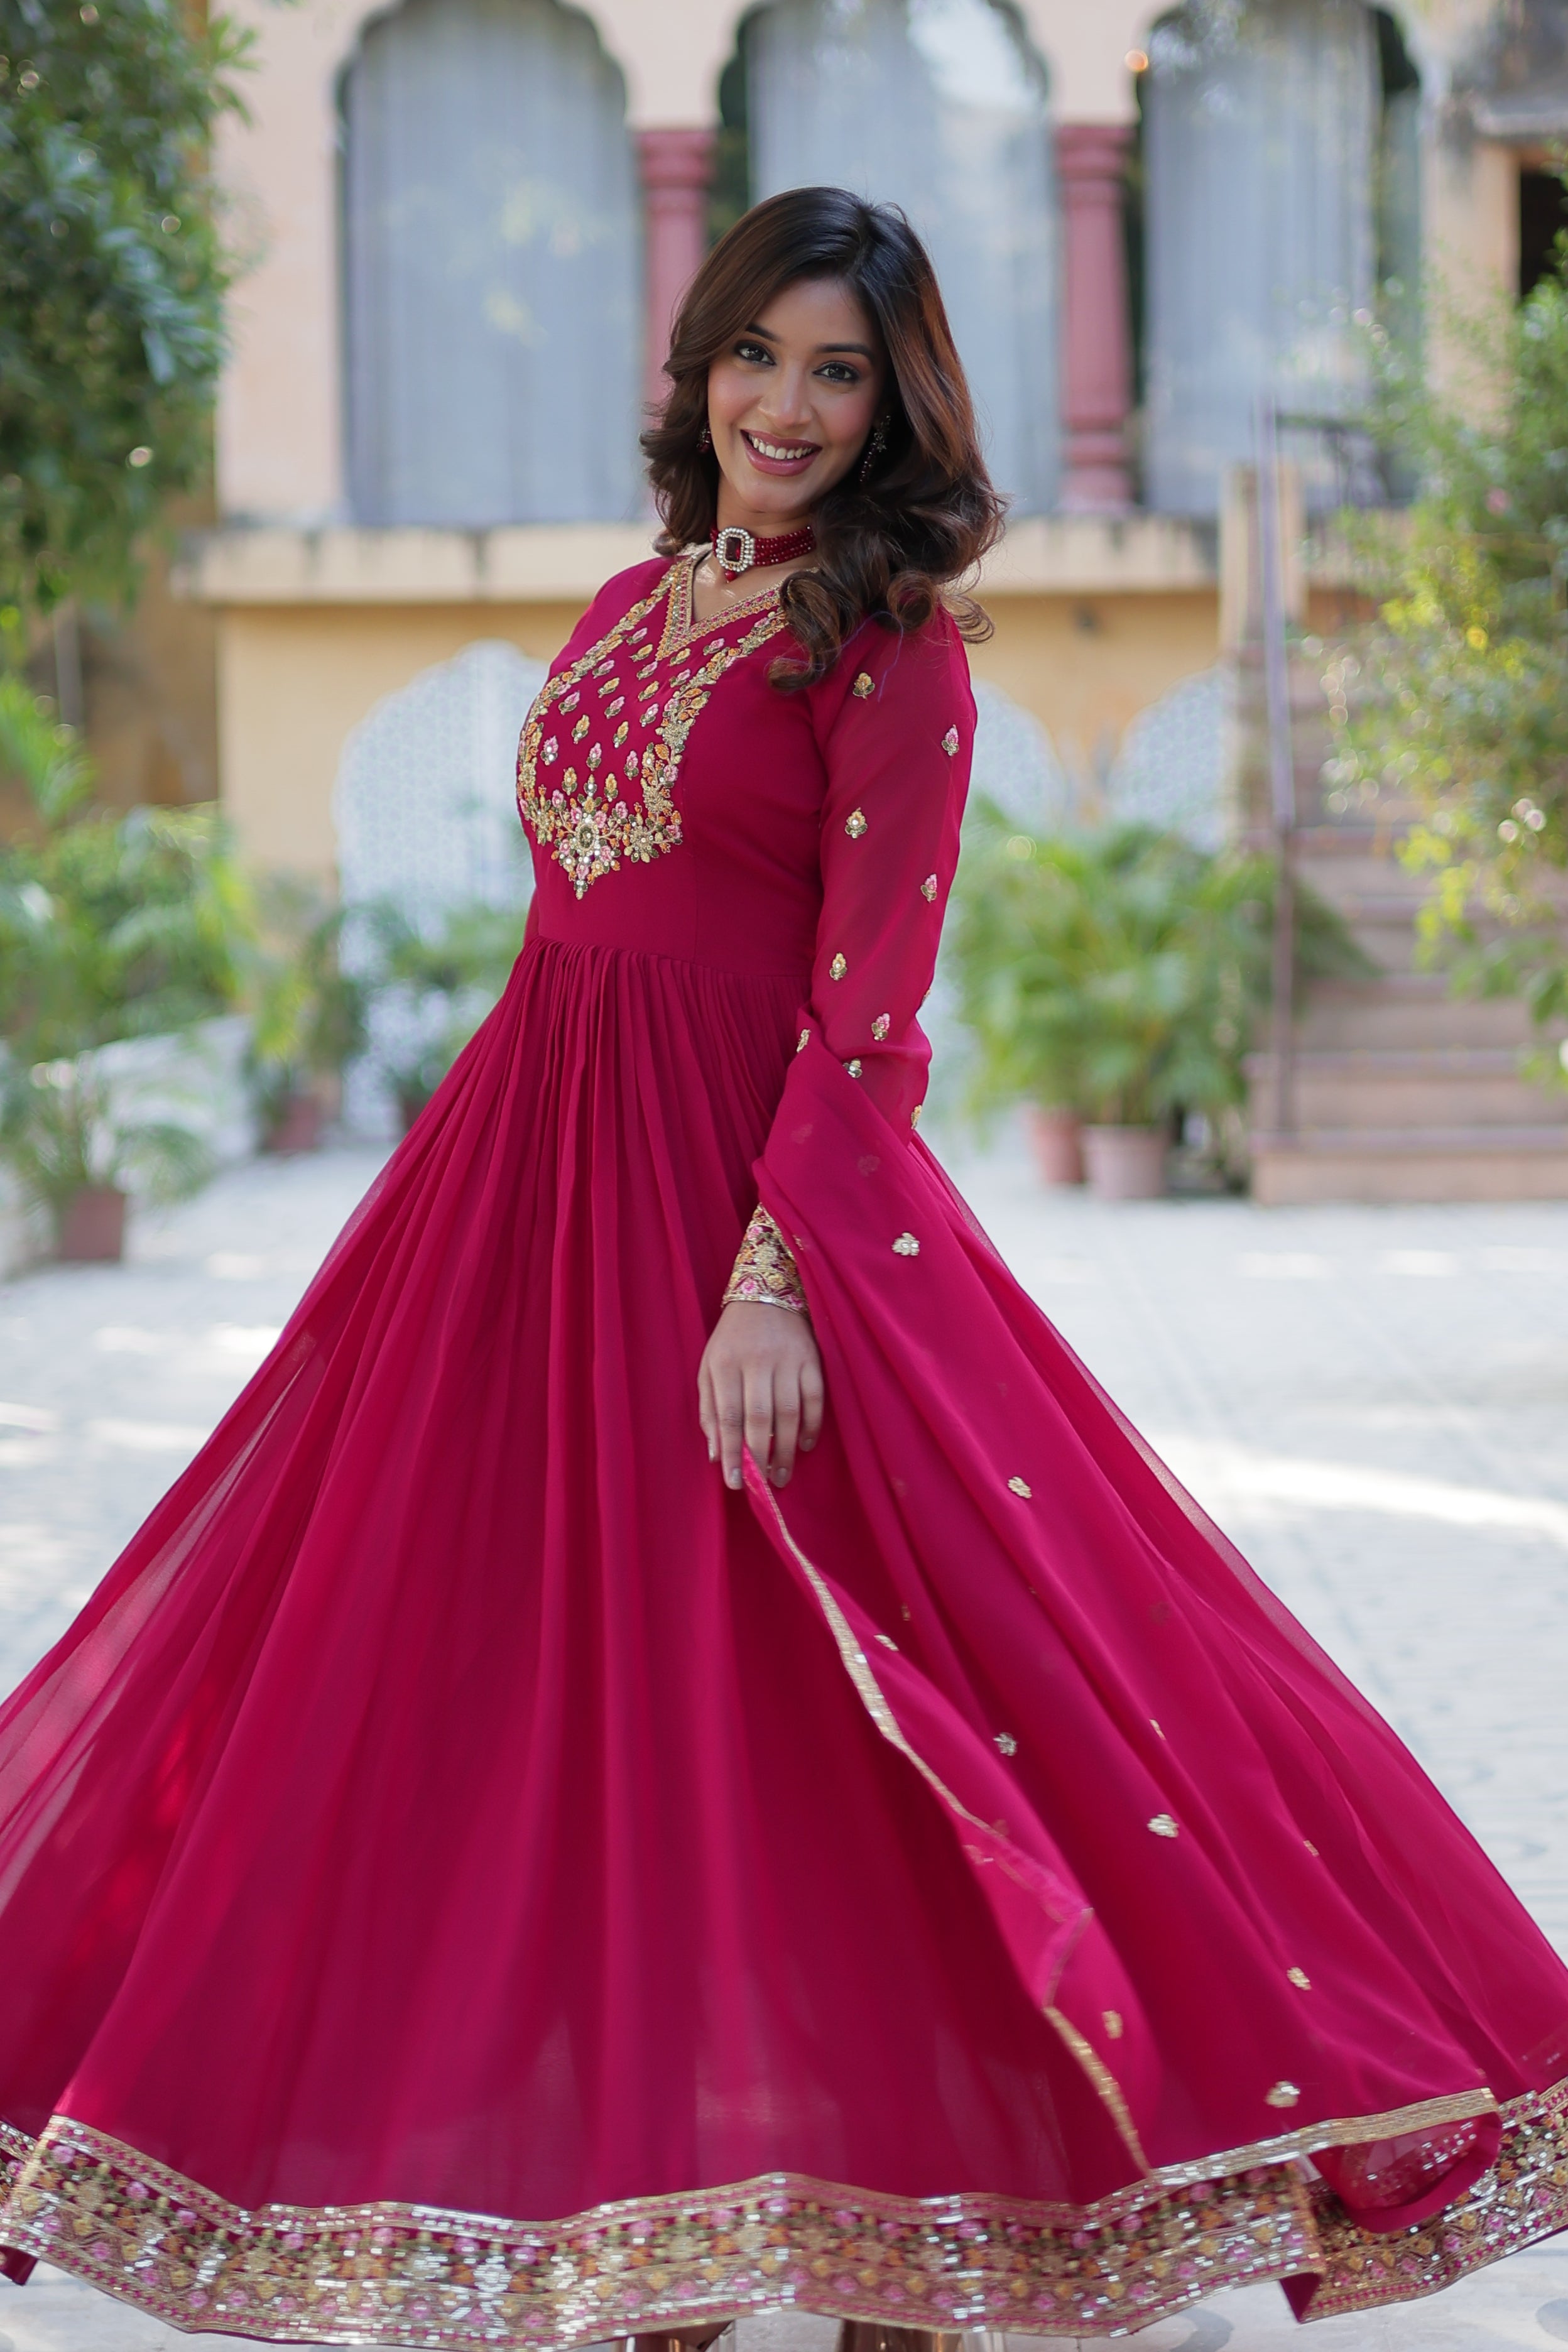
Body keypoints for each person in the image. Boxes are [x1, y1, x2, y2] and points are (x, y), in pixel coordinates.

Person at [0, 187, 1564, 2352]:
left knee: (840, 1723)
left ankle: (894, 2241)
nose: (792, 407)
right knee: (551, 1700)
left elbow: (874, 1013)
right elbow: (581, 920)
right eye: (761, 357)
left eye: (843, 371)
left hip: (754, 1211)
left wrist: (773, 1285)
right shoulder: (637, 602)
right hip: (528, 1190)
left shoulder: (886, 641)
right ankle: (661, 2213)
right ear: (700, 361)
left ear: (897, 400)